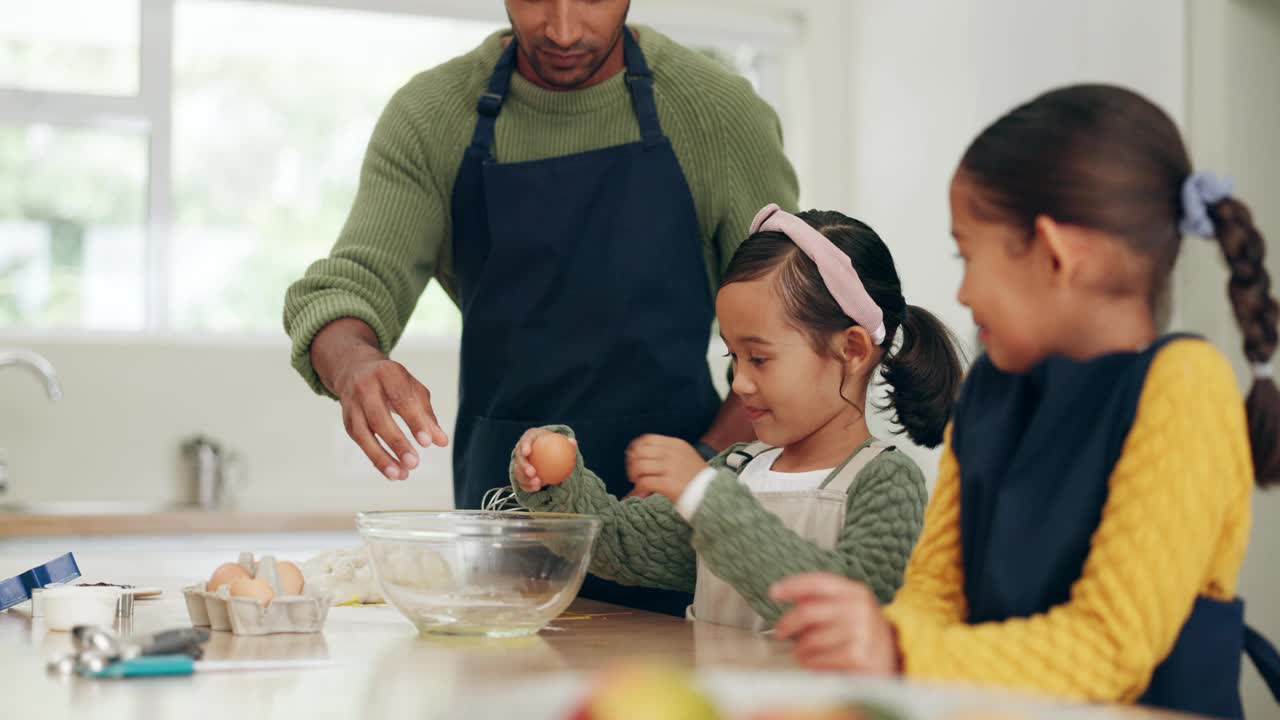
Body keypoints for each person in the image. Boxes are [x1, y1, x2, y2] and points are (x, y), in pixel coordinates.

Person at [770, 84, 1280, 718]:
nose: (959, 291)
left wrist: (899, 650)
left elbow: (1109, 648)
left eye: (968, 254)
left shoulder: (1185, 388)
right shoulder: (989, 389)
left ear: (1054, 255)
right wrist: (882, 647)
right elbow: (934, 594)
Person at [283, 1, 798, 615]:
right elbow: (346, 287)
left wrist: (702, 470)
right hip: (504, 542)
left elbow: (790, 332)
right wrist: (354, 364)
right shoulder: (432, 117)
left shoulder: (717, 114)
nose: (561, 29)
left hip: (679, 538)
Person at [510, 204, 964, 631]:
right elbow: (622, 547)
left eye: (760, 358)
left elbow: (845, 610)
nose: (740, 383)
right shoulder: (737, 467)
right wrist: (558, 481)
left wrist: (706, 498)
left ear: (852, 350)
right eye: (734, 356)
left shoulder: (885, 480)